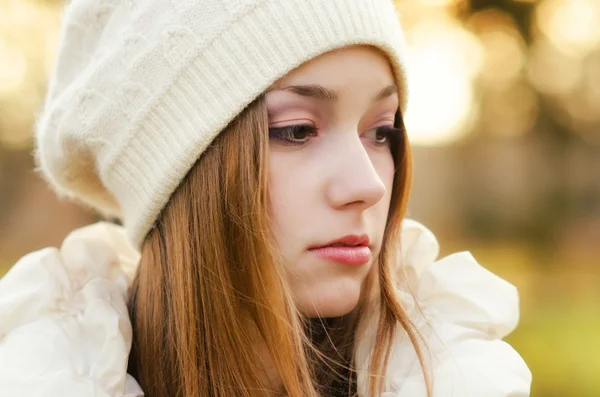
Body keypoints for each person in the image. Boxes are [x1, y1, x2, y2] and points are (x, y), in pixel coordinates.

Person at [0, 0, 532, 396]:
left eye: (382, 131)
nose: (368, 184)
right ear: (183, 179)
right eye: (298, 130)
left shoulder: (454, 374)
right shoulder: (51, 373)